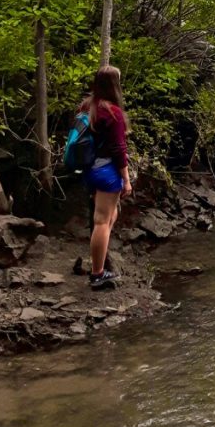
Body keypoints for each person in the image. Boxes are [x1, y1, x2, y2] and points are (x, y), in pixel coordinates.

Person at [80, 65, 132, 289]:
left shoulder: (87, 106)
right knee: (102, 221)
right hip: (106, 171)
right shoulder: (113, 113)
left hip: (90, 169)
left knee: (109, 216)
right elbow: (119, 150)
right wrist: (126, 179)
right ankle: (97, 274)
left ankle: (98, 261)